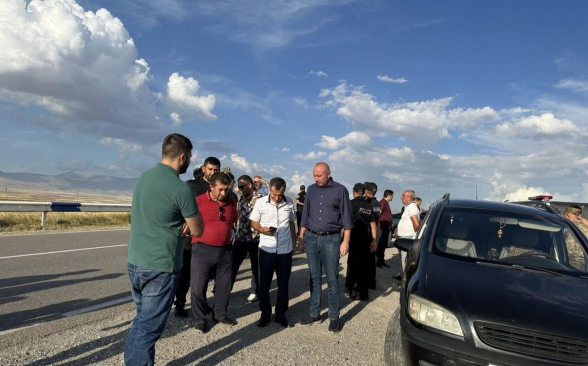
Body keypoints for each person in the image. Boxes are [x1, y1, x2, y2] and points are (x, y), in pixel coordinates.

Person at [125, 133, 204, 365]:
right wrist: (187, 220)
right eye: (189, 156)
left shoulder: (143, 177)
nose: (189, 161)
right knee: (149, 330)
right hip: (161, 267)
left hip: (135, 262)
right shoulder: (181, 190)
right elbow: (197, 229)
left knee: (141, 322)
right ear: (182, 156)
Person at [298, 162, 353, 333]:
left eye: (319, 175)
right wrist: (301, 236)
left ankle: (334, 316)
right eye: (314, 175)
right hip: (312, 238)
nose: (316, 178)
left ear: (329, 173)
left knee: (332, 279)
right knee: (314, 277)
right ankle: (314, 313)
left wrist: (346, 241)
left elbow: (346, 218)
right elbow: (305, 214)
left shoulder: (340, 190)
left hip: (332, 239)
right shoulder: (311, 190)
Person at [190, 172, 238, 333]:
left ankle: (220, 314)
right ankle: (199, 319)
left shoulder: (231, 202)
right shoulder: (198, 201)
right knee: (198, 287)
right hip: (202, 250)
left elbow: (233, 222)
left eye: (226, 190)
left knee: (224, 286)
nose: (224, 193)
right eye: (220, 189)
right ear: (211, 187)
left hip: (225, 251)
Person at [174, 156, 220, 317]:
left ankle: (202, 304)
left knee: (204, 274)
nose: (213, 172)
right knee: (185, 272)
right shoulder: (192, 185)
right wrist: (185, 221)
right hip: (191, 237)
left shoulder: (218, 188)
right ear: (203, 169)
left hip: (208, 238)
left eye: (216, 170)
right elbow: (182, 205)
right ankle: (179, 303)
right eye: (210, 169)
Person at [249, 177, 296, 328]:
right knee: (264, 284)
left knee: (283, 284)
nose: (276, 197)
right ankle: (265, 314)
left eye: (279, 195)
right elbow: (254, 222)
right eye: (274, 194)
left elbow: (291, 223)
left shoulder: (289, 202)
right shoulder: (261, 202)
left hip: (285, 249)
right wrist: (262, 229)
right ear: (270, 190)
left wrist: (294, 243)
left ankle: (281, 314)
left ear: (284, 191)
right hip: (266, 249)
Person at [231, 175, 263, 303]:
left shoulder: (261, 200)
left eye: (242, 186)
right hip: (241, 237)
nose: (239, 189)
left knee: (256, 267)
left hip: (256, 238)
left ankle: (255, 291)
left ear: (250, 185)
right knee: (232, 264)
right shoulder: (241, 199)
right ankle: (224, 290)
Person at [346, 183, 377, 301]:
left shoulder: (351, 203)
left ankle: (349, 288)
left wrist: (343, 238)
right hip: (365, 238)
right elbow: (373, 225)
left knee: (352, 263)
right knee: (363, 265)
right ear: (364, 192)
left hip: (354, 237)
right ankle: (363, 293)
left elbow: (346, 221)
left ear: (354, 192)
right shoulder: (369, 206)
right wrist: (374, 240)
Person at [392, 190, 420, 281]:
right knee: (402, 260)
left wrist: (415, 239)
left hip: (407, 238)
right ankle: (402, 276)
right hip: (403, 237)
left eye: (403, 195)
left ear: (409, 197)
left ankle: (405, 282)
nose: (401, 197)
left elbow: (416, 225)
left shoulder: (412, 207)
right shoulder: (407, 207)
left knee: (405, 261)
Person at [364, 182, 380, 289]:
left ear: (366, 191)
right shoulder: (377, 203)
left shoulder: (367, 203)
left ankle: (363, 281)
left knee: (364, 259)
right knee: (371, 259)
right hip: (373, 234)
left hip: (367, 233)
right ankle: (371, 282)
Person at [376, 190, 394, 268]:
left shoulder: (386, 203)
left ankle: (381, 260)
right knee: (379, 244)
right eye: (392, 196)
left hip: (386, 227)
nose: (393, 197)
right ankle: (376, 261)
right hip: (381, 227)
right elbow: (378, 212)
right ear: (389, 195)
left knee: (383, 244)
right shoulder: (382, 202)